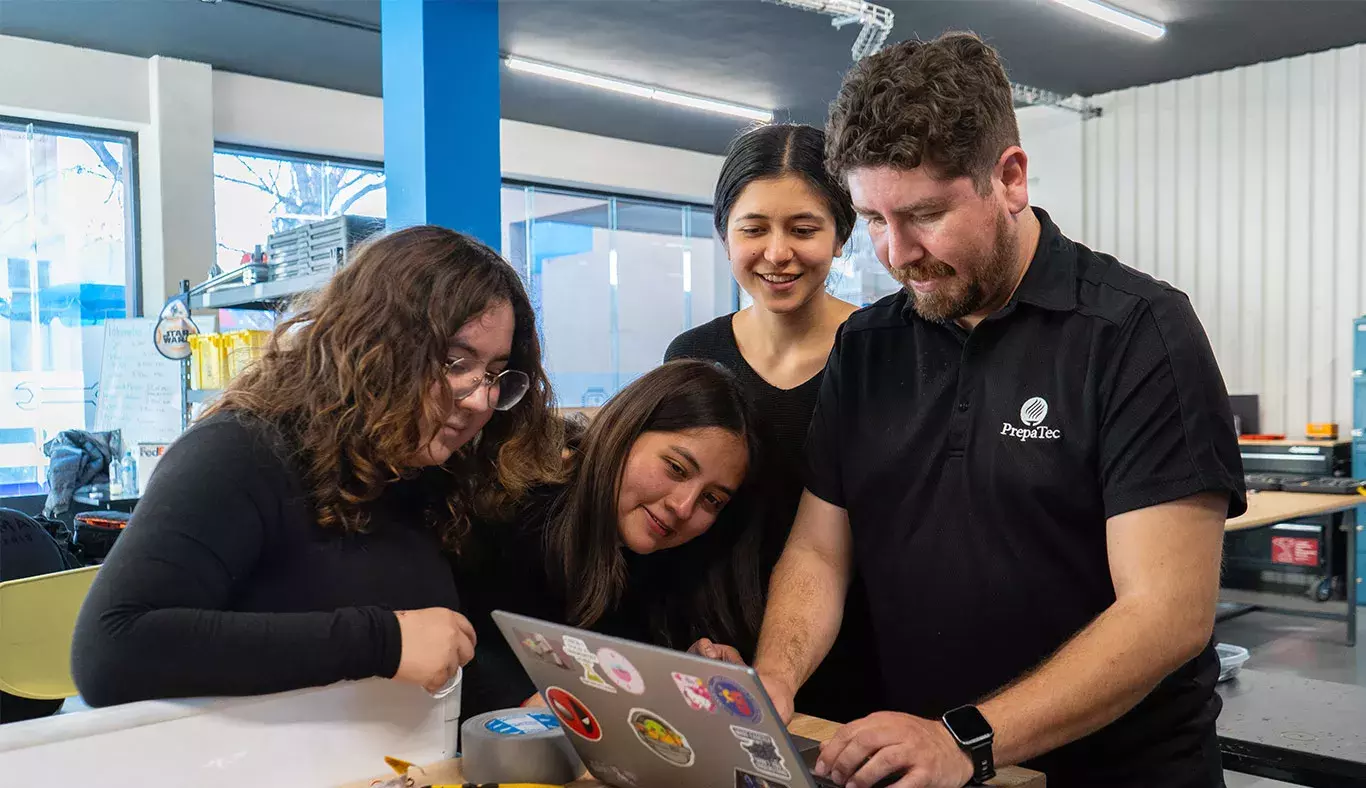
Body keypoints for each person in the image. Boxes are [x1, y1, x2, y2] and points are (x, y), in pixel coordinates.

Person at [752, 33, 1245, 788]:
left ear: (1009, 177)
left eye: (922, 214)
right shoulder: (867, 345)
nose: (896, 253)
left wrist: (967, 739)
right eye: (874, 220)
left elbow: (1167, 613)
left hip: (1113, 771)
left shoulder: (1137, 332)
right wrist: (770, 682)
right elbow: (820, 551)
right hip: (927, 766)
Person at [71, 226, 565, 706]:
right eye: (455, 363)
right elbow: (113, 648)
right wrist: (381, 641)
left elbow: (432, 650)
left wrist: (513, 702)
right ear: (375, 347)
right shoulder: (240, 451)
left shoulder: (425, 470)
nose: (481, 399)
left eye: (496, 373)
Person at [664, 123, 879, 723]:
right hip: (715, 656)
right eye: (753, 229)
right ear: (724, 235)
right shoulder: (692, 353)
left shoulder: (885, 351)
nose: (777, 253)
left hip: (861, 662)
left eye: (804, 229)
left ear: (841, 236)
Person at [458, 360, 764, 717]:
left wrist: (684, 674)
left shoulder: (678, 564)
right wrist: (523, 701)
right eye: (676, 468)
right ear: (626, 430)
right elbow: (464, 665)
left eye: (712, 499)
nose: (683, 507)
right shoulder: (511, 516)